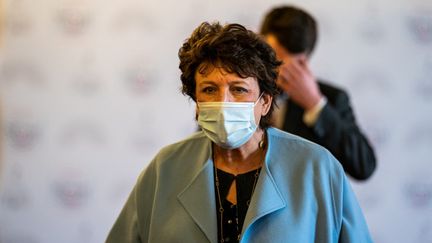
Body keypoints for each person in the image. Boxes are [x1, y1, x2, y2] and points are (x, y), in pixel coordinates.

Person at [106, 22, 372, 243]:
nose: (224, 103)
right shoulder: (165, 168)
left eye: (239, 89)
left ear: (265, 102)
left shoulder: (317, 168)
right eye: (209, 90)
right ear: (196, 102)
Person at [260, 6, 376, 180]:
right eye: (272, 58)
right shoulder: (240, 90)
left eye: (288, 65)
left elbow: (364, 166)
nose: (277, 71)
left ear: (305, 59)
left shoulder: (333, 98)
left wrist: (316, 105)